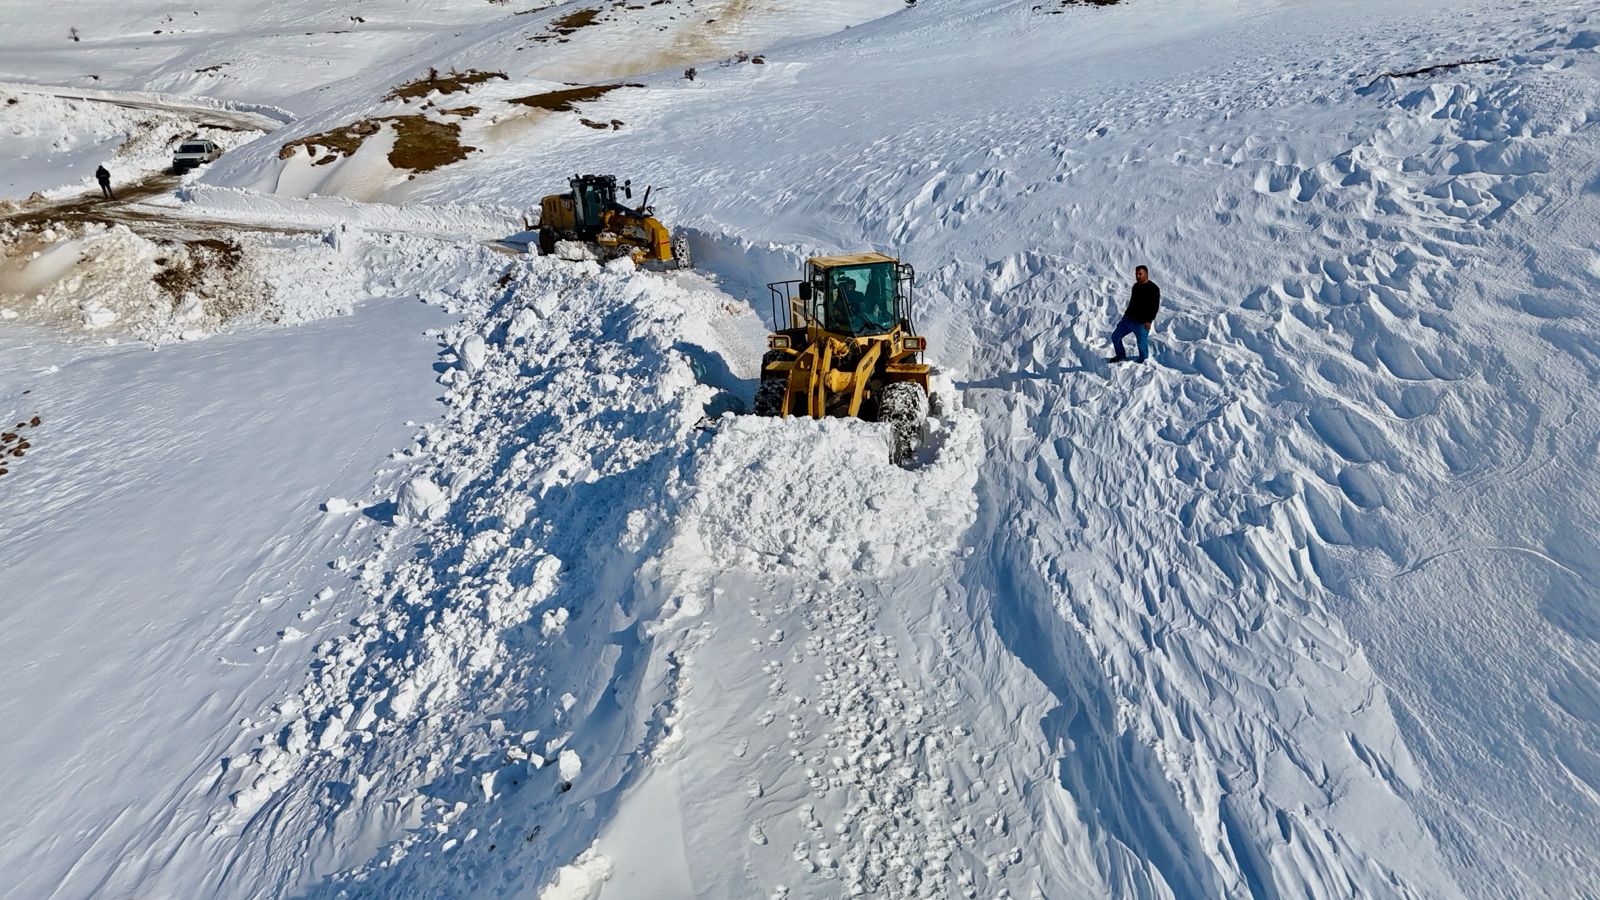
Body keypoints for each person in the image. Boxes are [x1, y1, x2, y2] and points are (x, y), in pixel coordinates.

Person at [1110, 265, 1161, 362]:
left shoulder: (1153, 289)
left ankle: (1143, 362)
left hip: (1142, 323)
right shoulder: (1136, 286)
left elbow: (1154, 307)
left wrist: (1148, 321)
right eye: (1136, 274)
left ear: (1146, 274)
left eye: (1140, 274)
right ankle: (1120, 356)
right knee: (1115, 336)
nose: (1137, 276)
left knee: (1142, 345)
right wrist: (1125, 316)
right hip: (1129, 320)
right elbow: (1132, 303)